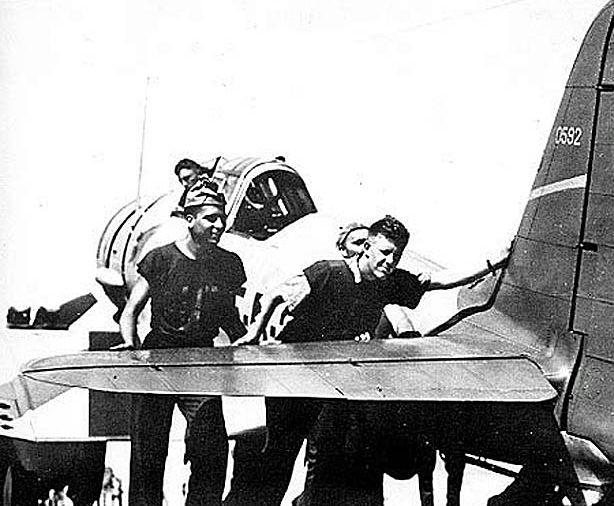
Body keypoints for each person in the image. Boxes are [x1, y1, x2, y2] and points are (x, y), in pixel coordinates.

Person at [226, 215, 507, 506]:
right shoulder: (327, 273)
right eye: (385, 252)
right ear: (366, 248)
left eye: (396, 256)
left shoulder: (387, 283)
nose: (390, 261)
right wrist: (253, 333)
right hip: (296, 382)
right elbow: (277, 294)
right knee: (278, 462)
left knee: (322, 463)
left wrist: (493, 263)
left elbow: (439, 281)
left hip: (331, 389)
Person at [119, 177, 247, 506]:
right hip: (158, 363)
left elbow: (232, 320)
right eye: (211, 218)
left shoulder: (229, 264)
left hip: (200, 366)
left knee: (213, 449)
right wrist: (131, 347)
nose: (219, 224)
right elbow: (131, 311)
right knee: (147, 455)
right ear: (190, 220)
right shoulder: (161, 259)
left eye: (222, 218)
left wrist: (255, 343)